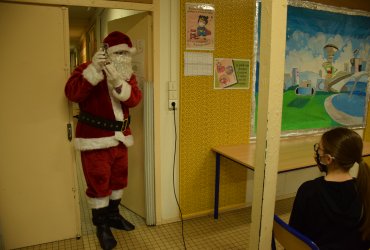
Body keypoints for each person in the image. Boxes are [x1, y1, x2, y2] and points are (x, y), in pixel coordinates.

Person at [65, 31, 142, 250]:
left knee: (118, 181)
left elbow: (135, 100)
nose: (122, 58)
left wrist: (118, 82)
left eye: (126, 54)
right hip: (95, 139)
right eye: (118, 53)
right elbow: (72, 94)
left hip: (121, 139)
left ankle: (114, 216)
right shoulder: (85, 69)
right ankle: (101, 225)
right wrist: (94, 71)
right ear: (106, 51)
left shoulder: (128, 75)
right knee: (99, 183)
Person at [289, 127, 370, 250]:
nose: (316, 153)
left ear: (327, 159)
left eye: (319, 149)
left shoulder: (308, 190)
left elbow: (293, 238)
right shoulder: (365, 189)